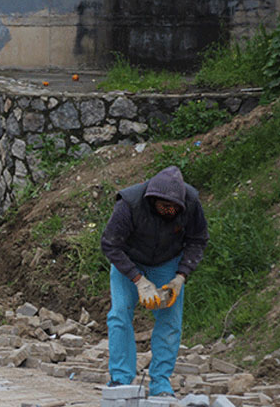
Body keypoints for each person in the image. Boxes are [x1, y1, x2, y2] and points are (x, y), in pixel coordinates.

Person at [101, 166, 209, 397]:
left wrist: (180, 277)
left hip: (167, 262)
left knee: (171, 319)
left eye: (174, 207)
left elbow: (198, 239)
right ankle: (121, 380)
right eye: (164, 206)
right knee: (119, 314)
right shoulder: (129, 203)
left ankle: (161, 383)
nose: (170, 211)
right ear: (152, 200)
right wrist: (139, 280)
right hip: (129, 259)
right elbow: (110, 244)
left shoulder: (190, 203)